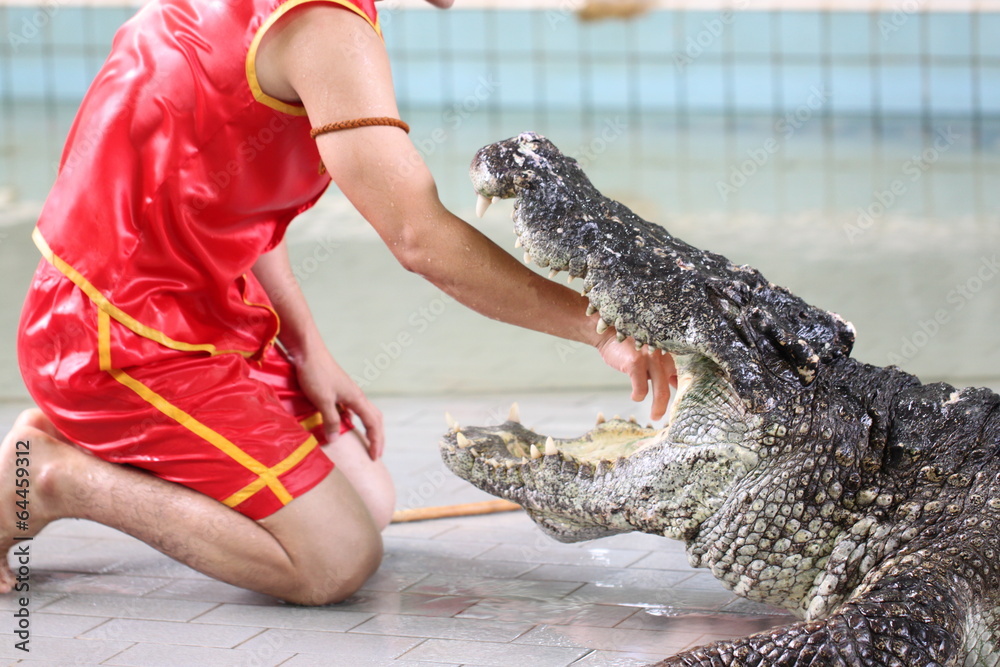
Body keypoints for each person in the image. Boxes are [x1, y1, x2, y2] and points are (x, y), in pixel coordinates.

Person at [2, 0, 676, 605]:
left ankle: (80, 423)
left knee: (369, 500)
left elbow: (226, 191)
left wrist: (307, 348)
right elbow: (420, 239)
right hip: (119, 334)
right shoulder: (325, 29)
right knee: (333, 558)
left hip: (197, 308)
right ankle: (57, 477)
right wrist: (599, 327)